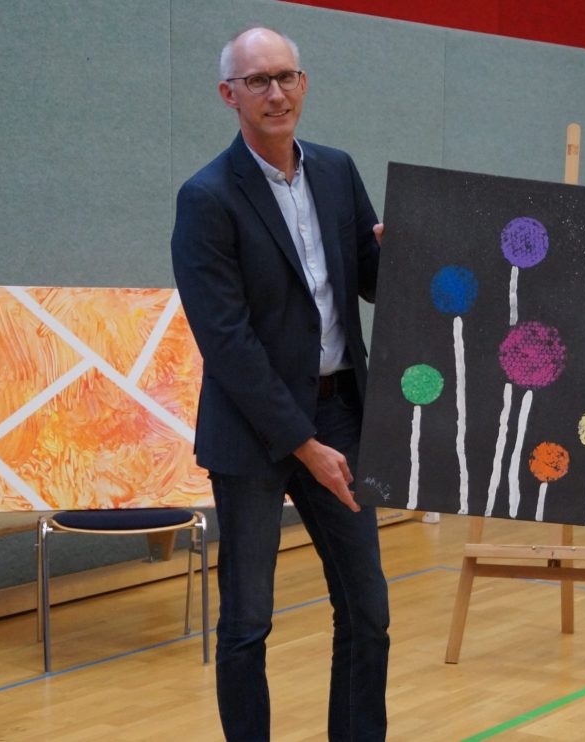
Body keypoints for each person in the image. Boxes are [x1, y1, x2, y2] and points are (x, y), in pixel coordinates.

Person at [170, 27, 387, 742]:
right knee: (246, 625)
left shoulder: (337, 170)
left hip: (342, 416)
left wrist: (412, 251)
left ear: (304, 84)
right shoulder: (206, 197)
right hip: (254, 436)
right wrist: (302, 443)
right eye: (258, 81)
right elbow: (226, 343)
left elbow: (373, 282)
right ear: (229, 95)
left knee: (368, 615)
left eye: (286, 76)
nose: (276, 92)